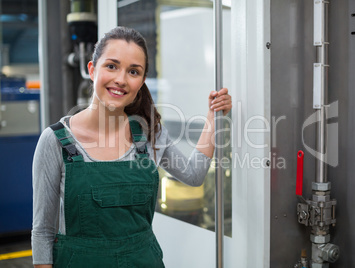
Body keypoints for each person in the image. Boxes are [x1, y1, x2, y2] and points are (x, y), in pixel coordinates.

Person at [31, 26, 232, 268]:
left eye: (133, 71)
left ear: (142, 81)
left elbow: (194, 175)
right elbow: (42, 231)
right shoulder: (55, 141)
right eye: (112, 66)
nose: (121, 80)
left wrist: (213, 117)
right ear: (92, 70)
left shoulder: (149, 134)